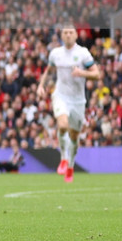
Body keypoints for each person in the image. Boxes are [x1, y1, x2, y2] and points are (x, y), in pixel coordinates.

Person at [36, 24, 101, 184]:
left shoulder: (83, 53)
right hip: (61, 96)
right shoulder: (56, 53)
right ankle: (63, 158)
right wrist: (41, 86)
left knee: (74, 137)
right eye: (65, 32)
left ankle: (70, 166)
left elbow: (97, 74)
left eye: (71, 32)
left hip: (78, 100)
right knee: (62, 125)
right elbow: (49, 70)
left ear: (76, 35)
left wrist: (82, 73)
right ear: (61, 35)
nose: (68, 35)